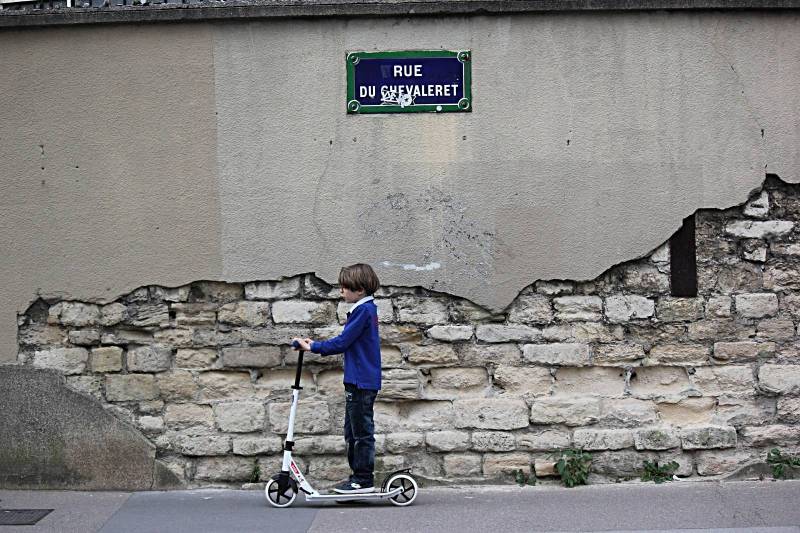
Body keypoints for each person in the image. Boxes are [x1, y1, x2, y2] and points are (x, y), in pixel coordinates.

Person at [292, 263, 382, 494]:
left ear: (359, 289)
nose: (341, 291)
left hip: (361, 381)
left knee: (361, 433)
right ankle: (357, 478)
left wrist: (314, 348)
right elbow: (346, 341)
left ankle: (362, 480)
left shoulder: (364, 311)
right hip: (358, 380)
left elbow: (343, 342)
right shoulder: (364, 309)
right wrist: (315, 345)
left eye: (344, 287)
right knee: (352, 432)